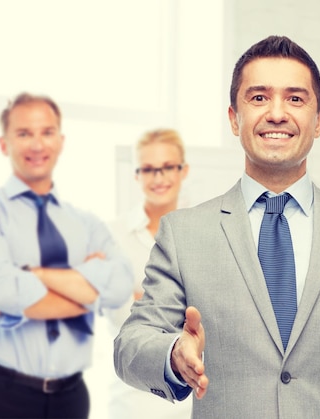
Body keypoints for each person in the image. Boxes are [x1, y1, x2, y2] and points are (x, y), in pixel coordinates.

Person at [114, 35, 320, 418]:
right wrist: (173, 356)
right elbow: (130, 344)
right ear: (234, 118)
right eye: (259, 98)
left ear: (319, 121)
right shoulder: (184, 234)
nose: (277, 113)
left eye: (295, 99)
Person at [0, 92, 133, 418]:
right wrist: (88, 287)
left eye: (46, 132)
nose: (37, 145)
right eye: (24, 133)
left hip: (71, 398)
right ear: (3, 144)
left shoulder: (86, 223)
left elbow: (122, 285)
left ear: (61, 140)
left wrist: (32, 274)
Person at [106, 128, 191, 419]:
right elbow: (119, 313)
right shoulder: (112, 236)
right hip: (133, 402)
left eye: (168, 167)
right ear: (136, 174)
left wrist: (141, 296)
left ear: (183, 170)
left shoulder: (203, 230)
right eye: (149, 169)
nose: (159, 178)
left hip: (195, 402)